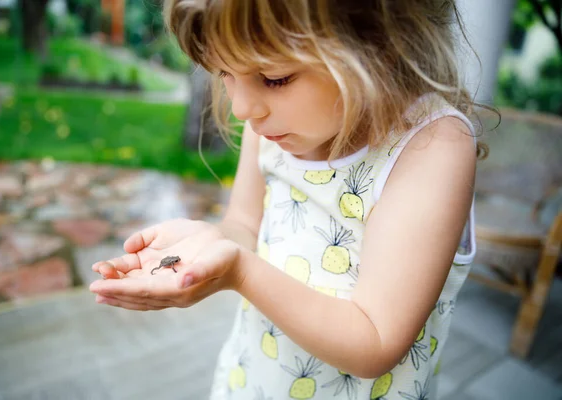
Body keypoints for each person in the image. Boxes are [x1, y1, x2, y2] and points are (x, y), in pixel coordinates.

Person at [90, 0, 490, 398]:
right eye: (225, 73)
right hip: (253, 382)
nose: (243, 109)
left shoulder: (430, 148)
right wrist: (211, 244)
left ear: (377, 45)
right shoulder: (272, 132)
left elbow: (376, 340)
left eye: (274, 77)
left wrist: (241, 273)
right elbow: (243, 227)